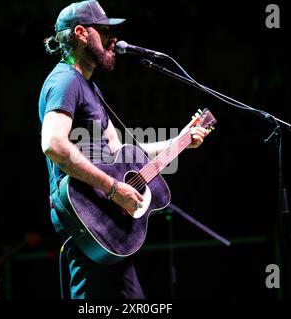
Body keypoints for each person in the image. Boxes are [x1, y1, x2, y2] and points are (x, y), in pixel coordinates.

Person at [39, 0, 209, 299]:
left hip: (108, 230)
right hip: (87, 223)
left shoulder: (91, 88)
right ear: (81, 33)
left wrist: (179, 141)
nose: (113, 39)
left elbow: (122, 150)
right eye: (104, 32)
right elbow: (53, 144)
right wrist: (114, 188)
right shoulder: (65, 81)